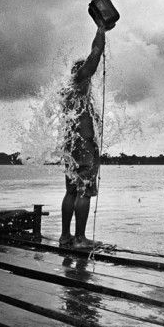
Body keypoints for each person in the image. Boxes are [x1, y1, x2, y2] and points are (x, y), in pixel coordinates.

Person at [59, 25, 106, 248]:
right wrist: (100, 32)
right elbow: (94, 56)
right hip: (83, 148)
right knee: (84, 191)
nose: (90, 79)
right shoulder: (79, 83)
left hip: (70, 146)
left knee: (70, 191)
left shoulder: (69, 91)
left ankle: (65, 236)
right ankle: (80, 239)